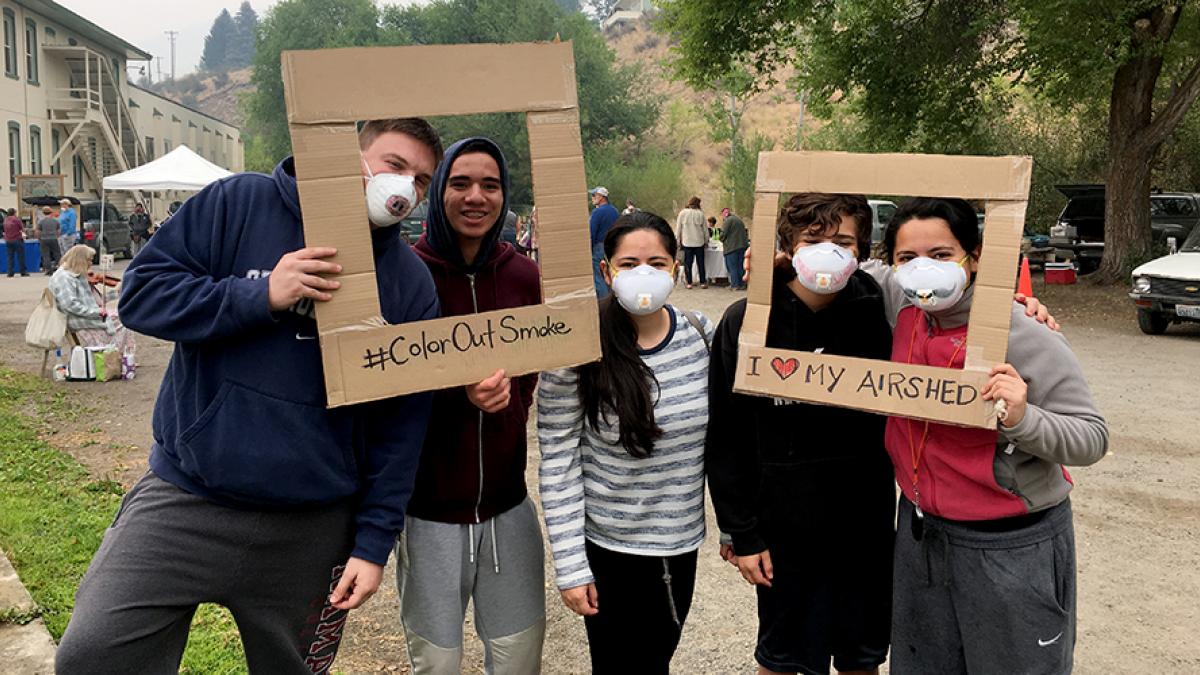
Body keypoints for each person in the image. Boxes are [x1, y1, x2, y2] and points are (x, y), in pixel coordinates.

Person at [55, 117, 444, 674]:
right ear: (349, 157)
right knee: (94, 654)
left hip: (312, 524)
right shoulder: (239, 202)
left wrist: (373, 541)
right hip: (187, 498)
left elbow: (402, 424)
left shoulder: (409, 282)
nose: (406, 188)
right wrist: (260, 294)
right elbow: (142, 295)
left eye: (422, 181)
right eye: (394, 166)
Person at [878, 197, 1107, 674]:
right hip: (921, 535)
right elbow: (833, 267)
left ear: (975, 256)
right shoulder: (901, 304)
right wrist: (773, 267)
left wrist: (1023, 419)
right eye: (906, 258)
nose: (923, 270)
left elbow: (1091, 436)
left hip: (1009, 545)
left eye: (941, 256)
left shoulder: (1023, 332)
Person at [708, 194, 895, 675]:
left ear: (862, 248)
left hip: (864, 528)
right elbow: (727, 435)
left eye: (842, 241)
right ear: (788, 246)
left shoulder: (878, 308)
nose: (828, 250)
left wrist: (1018, 303)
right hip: (783, 531)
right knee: (781, 659)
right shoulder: (746, 321)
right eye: (814, 239)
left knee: (862, 658)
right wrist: (741, 531)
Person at [539, 211, 712, 673]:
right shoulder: (576, 348)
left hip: (679, 547)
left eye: (657, 263)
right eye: (629, 263)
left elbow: (730, 441)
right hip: (609, 550)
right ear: (606, 271)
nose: (644, 274)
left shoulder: (701, 337)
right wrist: (571, 566)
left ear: (676, 268)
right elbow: (557, 459)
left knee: (656, 661)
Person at [399, 137, 545, 674]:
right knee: (436, 662)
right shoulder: (404, 275)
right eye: (460, 183)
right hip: (428, 511)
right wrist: (456, 392)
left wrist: (504, 404)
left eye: (490, 184)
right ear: (438, 191)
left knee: (517, 657)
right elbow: (385, 389)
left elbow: (534, 377)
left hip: (508, 506)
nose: (476, 197)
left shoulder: (526, 279)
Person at [48, 244, 136, 357]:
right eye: (89, 260)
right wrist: (97, 312)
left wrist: (117, 292)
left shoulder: (75, 274)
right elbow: (70, 305)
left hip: (82, 314)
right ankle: (111, 356)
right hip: (74, 318)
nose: (91, 263)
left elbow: (96, 301)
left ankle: (119, 356)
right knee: (123, 320)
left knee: (123, 316)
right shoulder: (63, 277)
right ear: (80, 260)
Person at [590, 186, 619, 299]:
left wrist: (590, 248)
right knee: (611, 274)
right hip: (613, 246)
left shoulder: (597, 212)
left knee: (599, 276)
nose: (592, 198)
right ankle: (613, 299)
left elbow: (592, 233)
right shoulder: (614, 211)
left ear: (601, 197)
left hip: (599, 247)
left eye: (594, 195)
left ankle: (604, 302)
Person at [676, 196, 708, 289]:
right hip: (699, 242)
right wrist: (706, 241)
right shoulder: (700, 214)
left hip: (687, 243)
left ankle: (689, 282)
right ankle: (702, 282)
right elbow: (705, 230)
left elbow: (678, 229)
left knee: (688, 264)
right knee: (700, 263)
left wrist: (678, 241)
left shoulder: (682, 213)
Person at [719, 207, 749, 291]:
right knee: (740, 266)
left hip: (732, 247)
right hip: (742, 246)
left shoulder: (728, 221)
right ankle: (742, 284)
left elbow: (723, 234)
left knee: (732, 267)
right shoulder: (739, 220)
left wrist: (721, 239)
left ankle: (735, 285)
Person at [36, 206, 62, 275]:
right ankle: (60, 268)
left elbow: (38, 232)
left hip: (44, 239)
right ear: (51, 212)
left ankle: (48, 270)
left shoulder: (41, 221)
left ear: (43, 213)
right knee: (57, 254)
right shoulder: (55, 221)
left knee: (46, 255)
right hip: (53, 238)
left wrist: (39, 238)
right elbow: (59, 231)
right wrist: (57, 236)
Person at [4, 208, 27, 277]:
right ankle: (23, 272)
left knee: (10, 257)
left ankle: (10, 272)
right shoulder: (17, 220)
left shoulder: (6, 220)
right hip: (17, 239)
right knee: (20, 256)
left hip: (8, 240)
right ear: (14, 213)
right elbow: (22, 229)